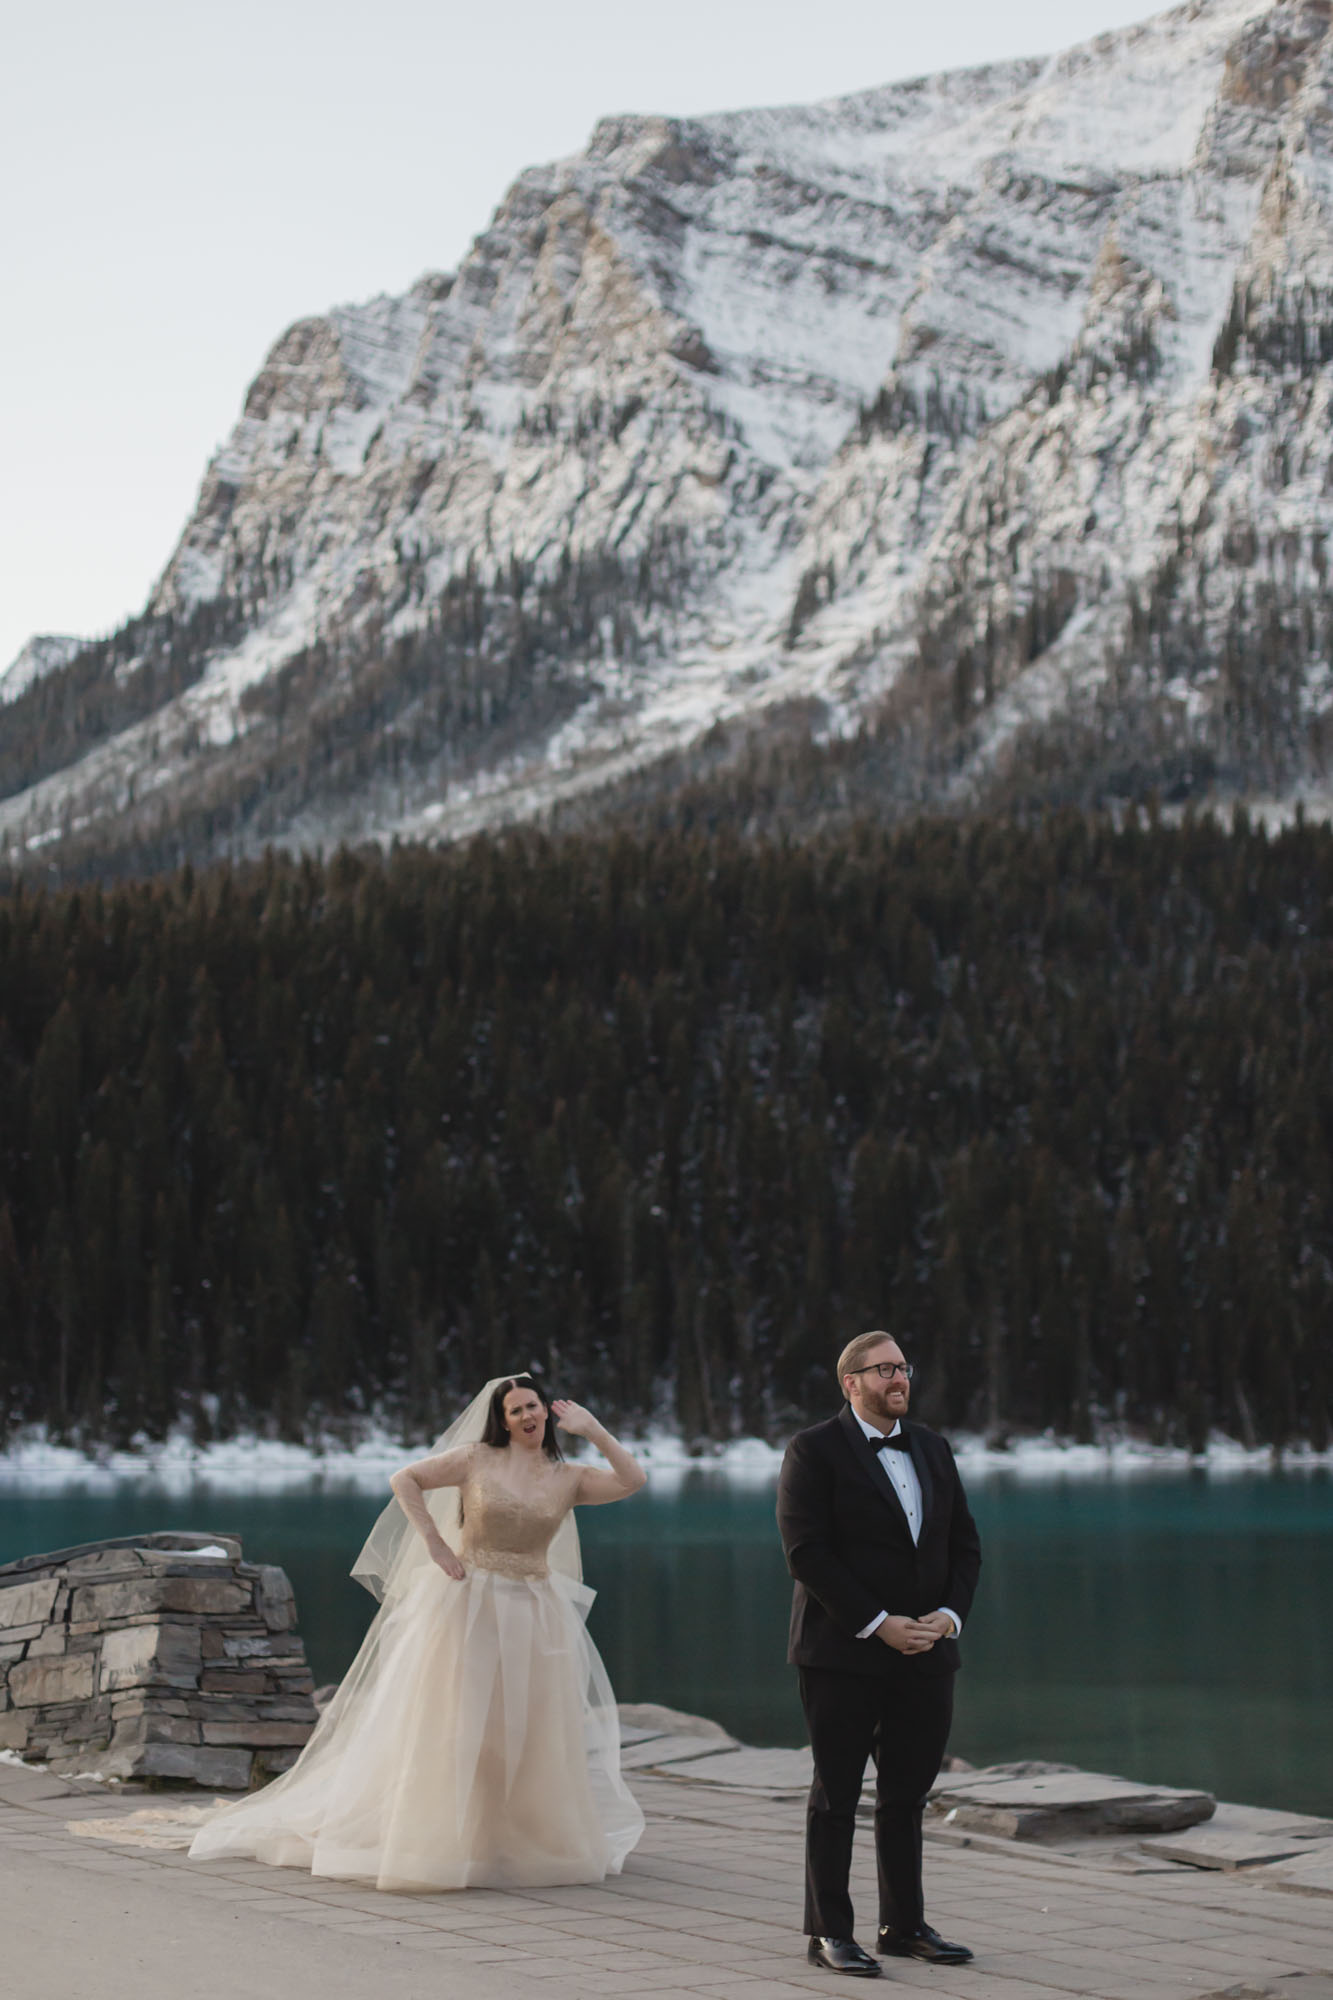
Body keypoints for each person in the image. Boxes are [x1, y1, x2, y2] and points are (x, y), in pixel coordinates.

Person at [189, 1374, 647, 1891]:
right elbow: (404, 1479)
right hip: (468, 1603)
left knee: (527, 1724)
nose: (526, 1416)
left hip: (535, 1610)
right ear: (502, 1419)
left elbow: (632, 1481)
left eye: (533, 1406)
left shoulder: (569, 1477)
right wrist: (434, 1543)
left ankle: (510, 1836)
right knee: (458, 1716)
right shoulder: (476, 1459)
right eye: (515, 1409)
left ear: (549, 1412)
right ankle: (442, 1834)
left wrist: (596, 1431)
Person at [776, 1331, 982, 1977]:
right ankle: (828, 1933)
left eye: (902, 1368)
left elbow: (964, 1546)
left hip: (925, 1652)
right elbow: (805, 1552)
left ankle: (902, 1925)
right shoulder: (811, 1450)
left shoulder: (932, 1447)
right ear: (851, 1382)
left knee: (905, 1795)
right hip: (842, 1650)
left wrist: (946, 1619)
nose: (899, 1379)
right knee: (835, 1795)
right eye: (883, 1369)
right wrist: (876, 1622)